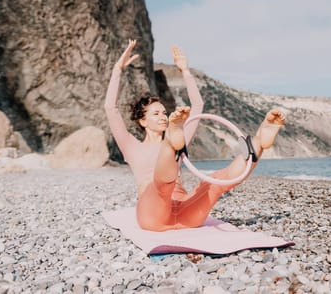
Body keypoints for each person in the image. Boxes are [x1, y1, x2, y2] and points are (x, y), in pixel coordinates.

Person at [105, 40, 285, 231]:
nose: (163, 117)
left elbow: (197, 106)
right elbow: (110, 108)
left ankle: (258, 142)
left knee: (215, 182)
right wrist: (117, 69)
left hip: (185, 213)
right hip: (153, 215)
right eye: (156, 114)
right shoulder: (131, 146)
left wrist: (185, 71)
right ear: (142, 121)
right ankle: (169, 147)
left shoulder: (179, 138)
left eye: (165, 113)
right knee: (162, 185)